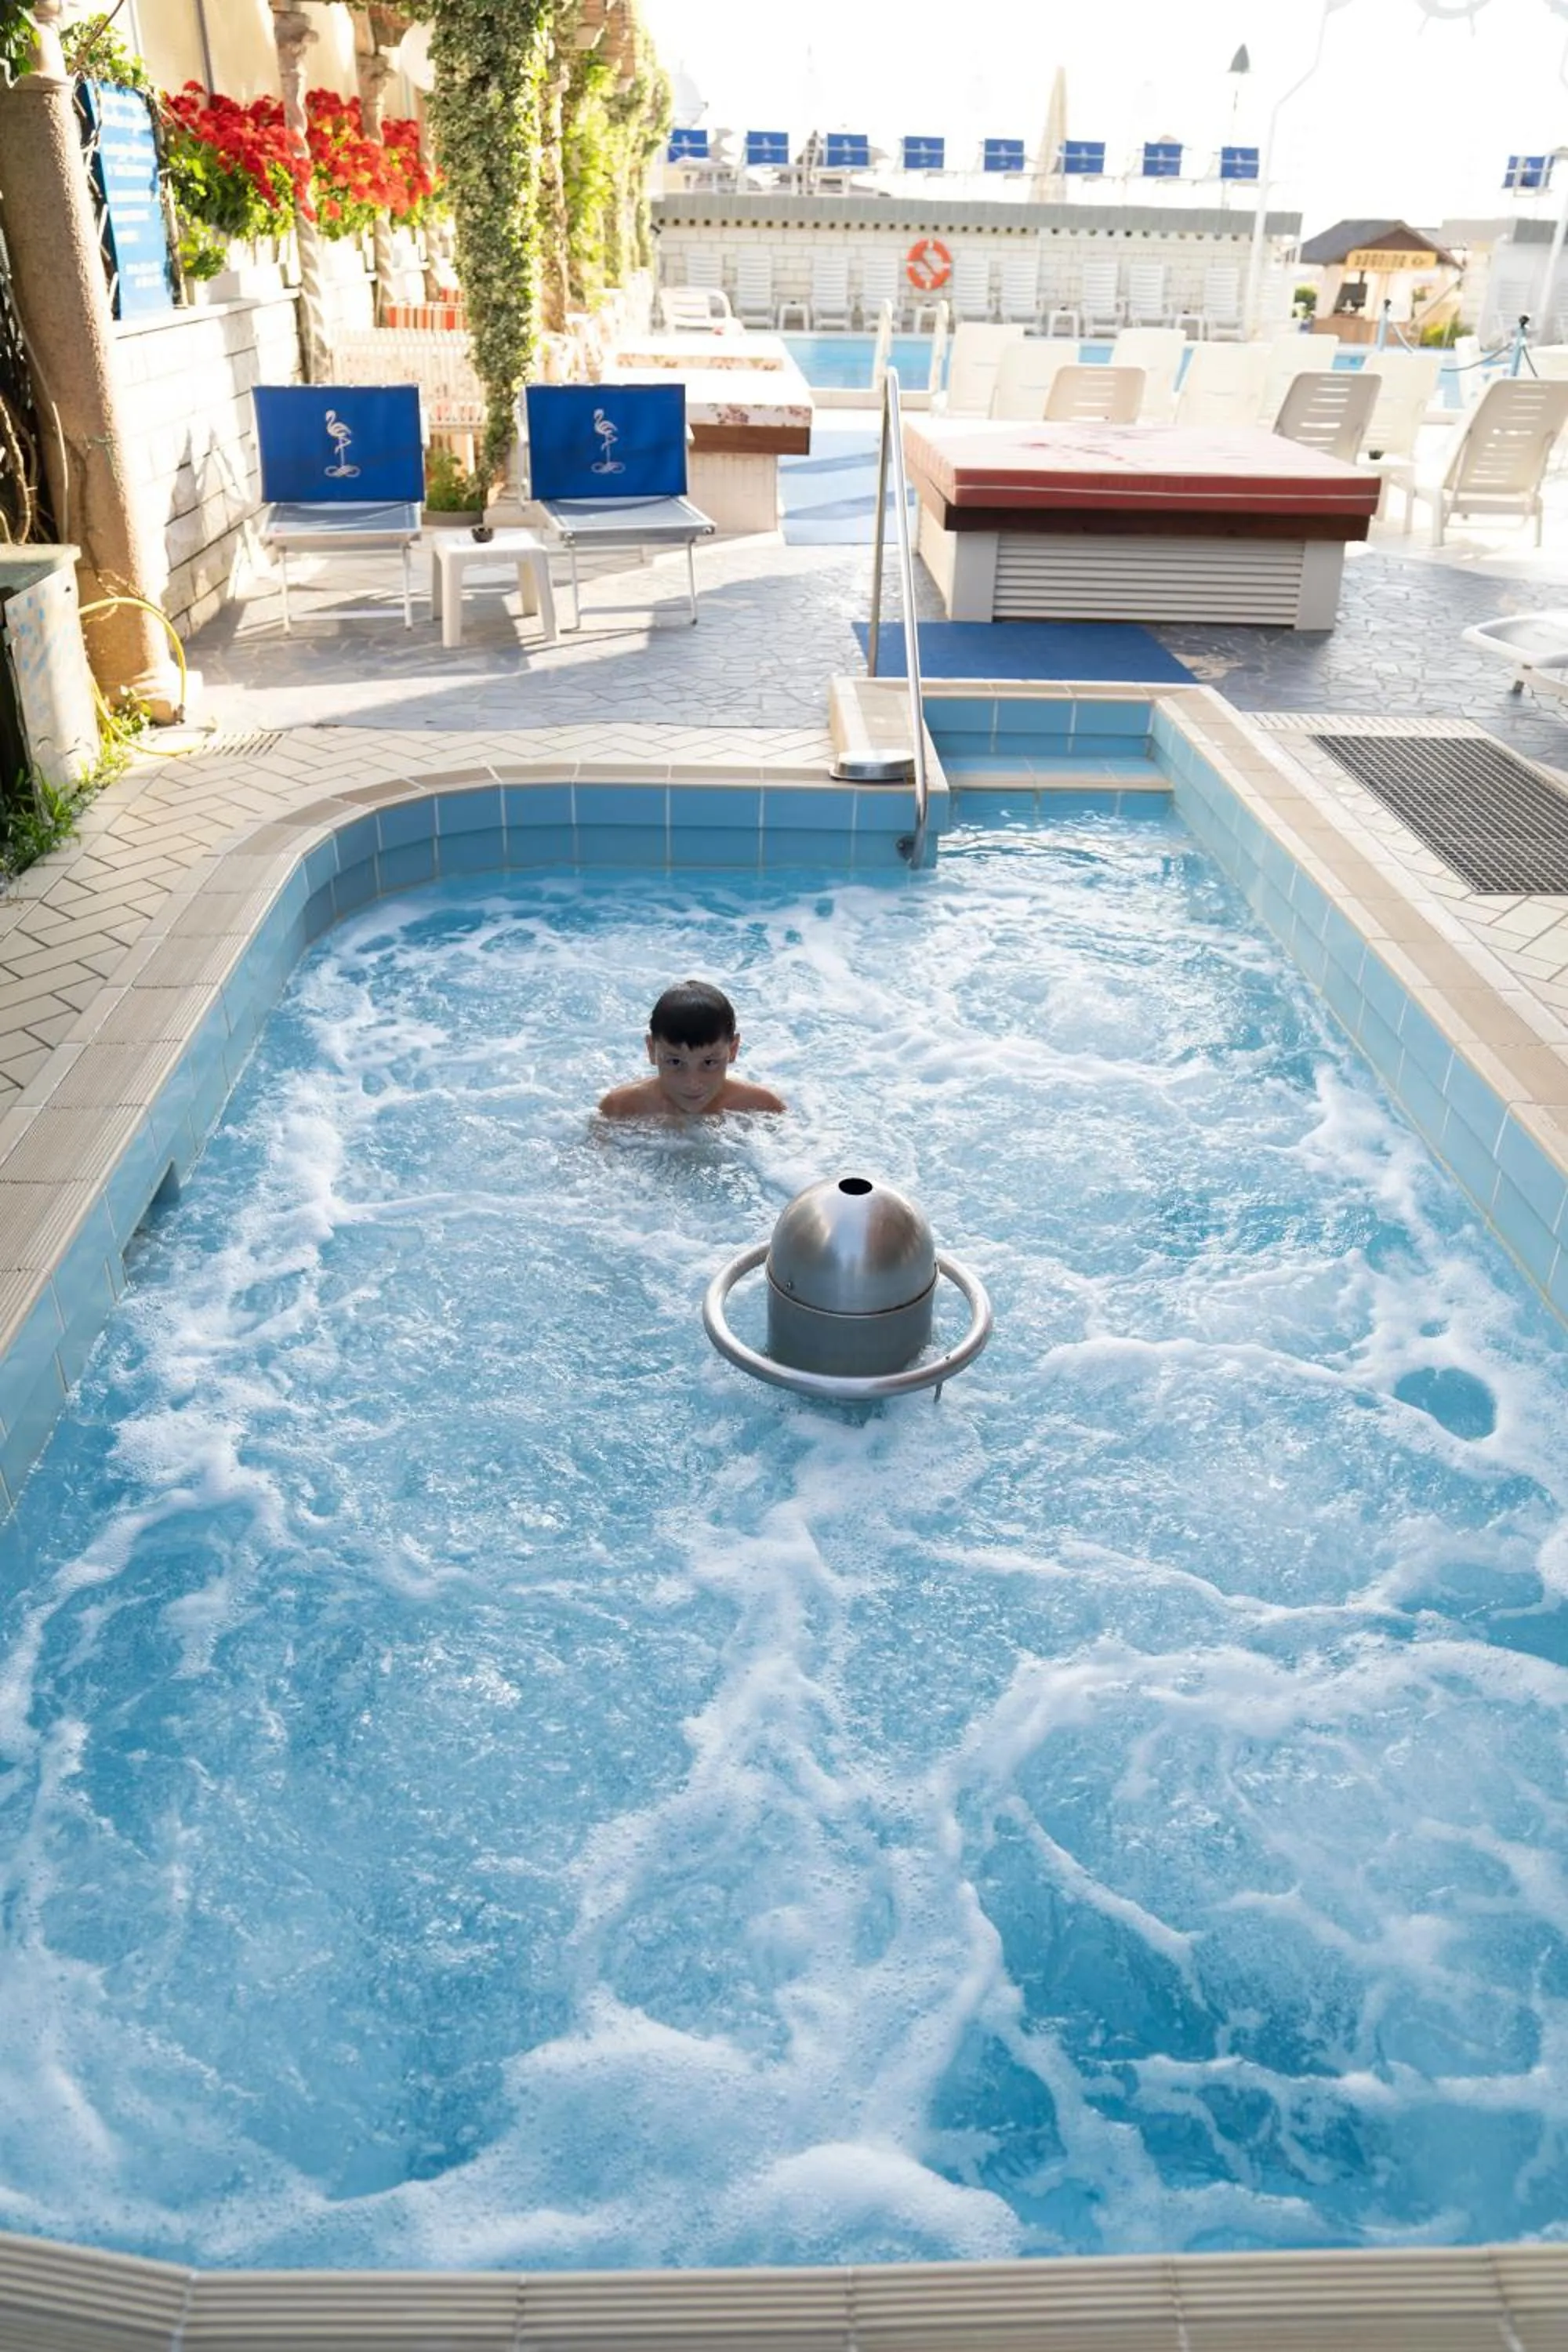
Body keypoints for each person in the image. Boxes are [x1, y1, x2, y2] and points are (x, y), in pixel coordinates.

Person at [597, 980, 786, 1120]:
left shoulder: (763, 1107)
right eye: (675, 1062)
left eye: (709, 1062)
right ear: (651, 1050)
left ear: (733, 1049)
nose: (692, 1083)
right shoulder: (619, 1109)